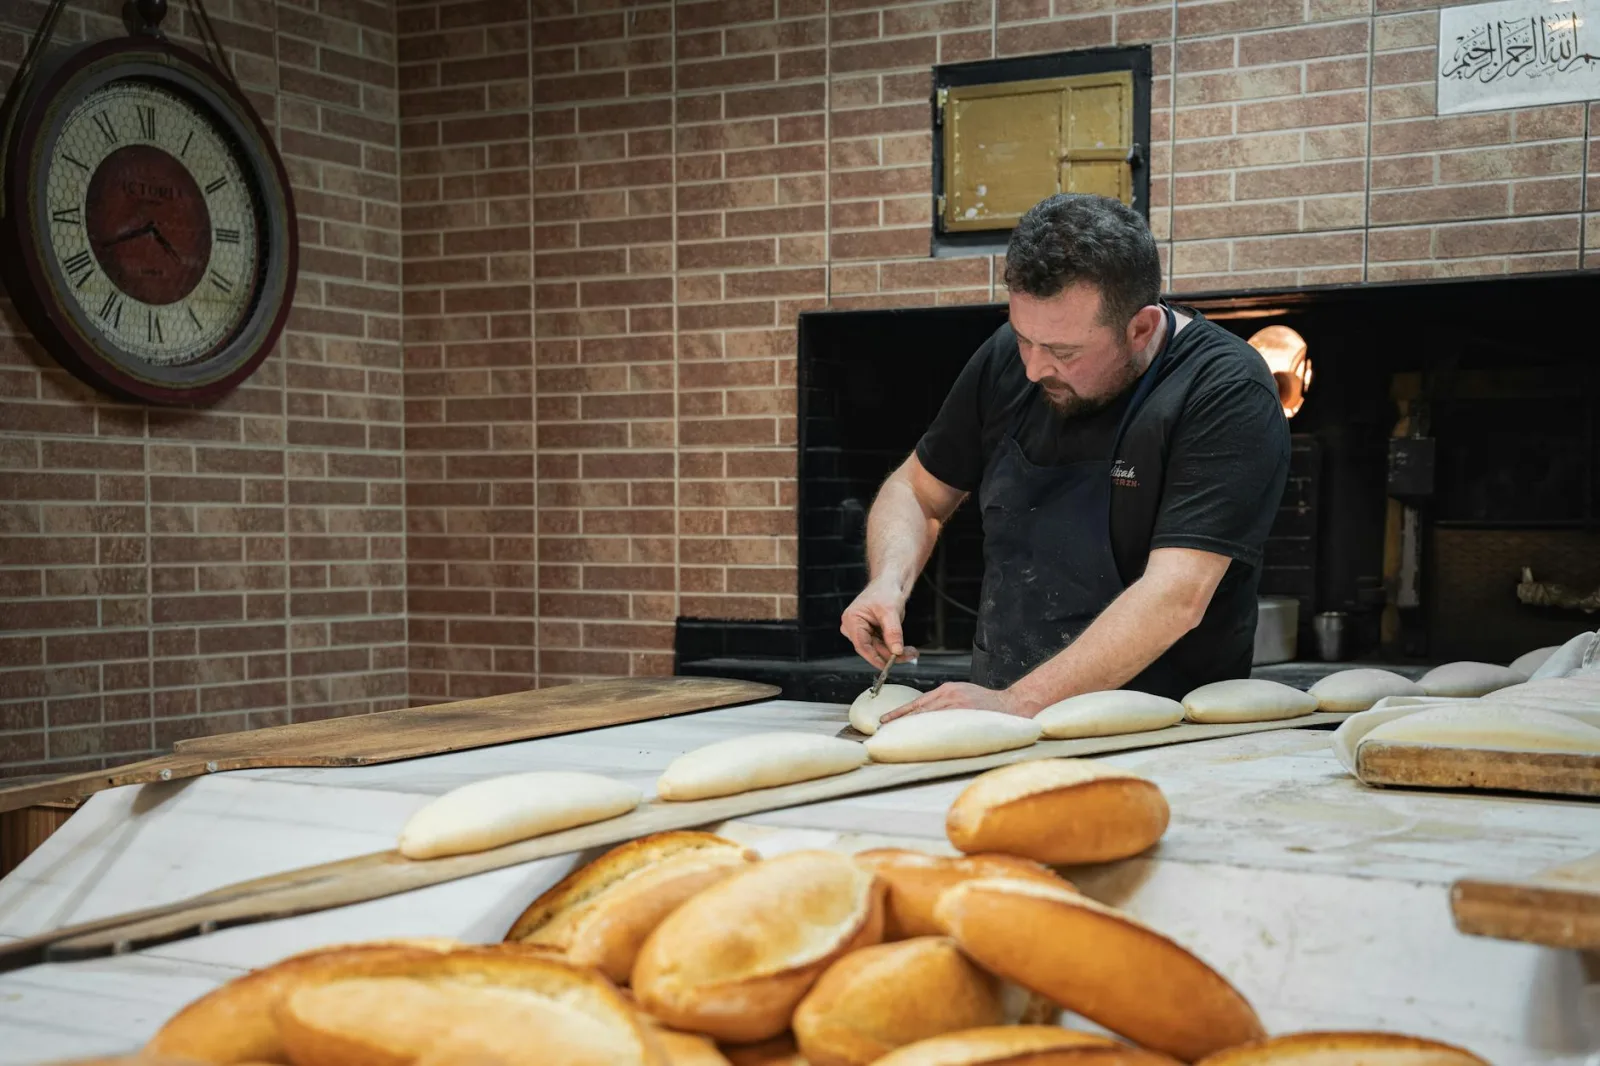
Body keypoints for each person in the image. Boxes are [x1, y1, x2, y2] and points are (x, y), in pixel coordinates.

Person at [840, 193, 1291, 724]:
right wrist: (887, 582)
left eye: (1064, 352)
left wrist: (1018, 703)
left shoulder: (1224, 388)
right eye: (1026, 338)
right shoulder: (1009, 356)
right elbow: (917, 491)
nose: (1033, 368)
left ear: (1141, 328)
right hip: (1000, 718)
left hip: (1158, 728)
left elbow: (1176, 595)